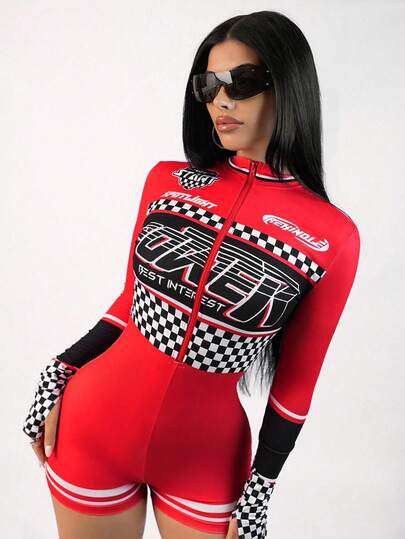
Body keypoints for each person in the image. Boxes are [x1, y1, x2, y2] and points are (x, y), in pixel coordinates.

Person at [22, 10, 361, 539]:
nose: (220, 101)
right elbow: (130, 302)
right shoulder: (167, 181)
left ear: (290, 84)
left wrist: (260, 491)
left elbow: (296, 385)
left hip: (207, 461)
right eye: (208, 86)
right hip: (94, 429)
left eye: (241, 82)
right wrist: (59, 369)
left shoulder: (333, 236)